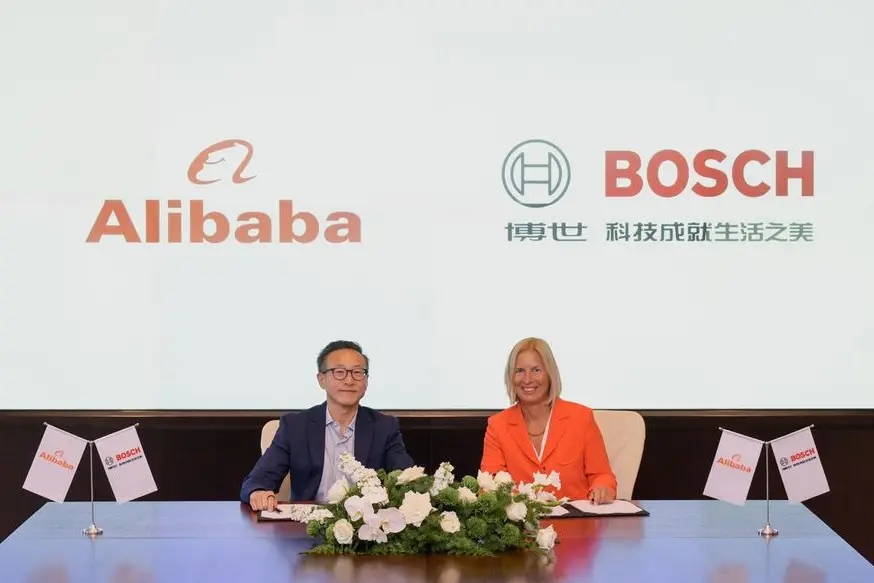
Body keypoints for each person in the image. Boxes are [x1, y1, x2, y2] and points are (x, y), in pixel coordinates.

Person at [241, 340, 415, 510]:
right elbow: (257, 481)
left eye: (357, 372)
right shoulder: (295, 426)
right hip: (308, 522)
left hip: (365, 524)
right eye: (339, 372)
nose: (349, 380)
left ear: (366, 381)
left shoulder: (384, 426)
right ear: (321, 379)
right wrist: (258, 492)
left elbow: (407, 479)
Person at [480, 337, 618, 503]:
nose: (527, 379)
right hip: (523, 518)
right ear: (511, 377)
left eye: (536, 370)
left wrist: (603, 487)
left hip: (576, 517)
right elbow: (489, 484)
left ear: (550, 375)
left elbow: (602, 475)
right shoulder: (497, 425)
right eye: (520, 371)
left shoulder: (581, 417)